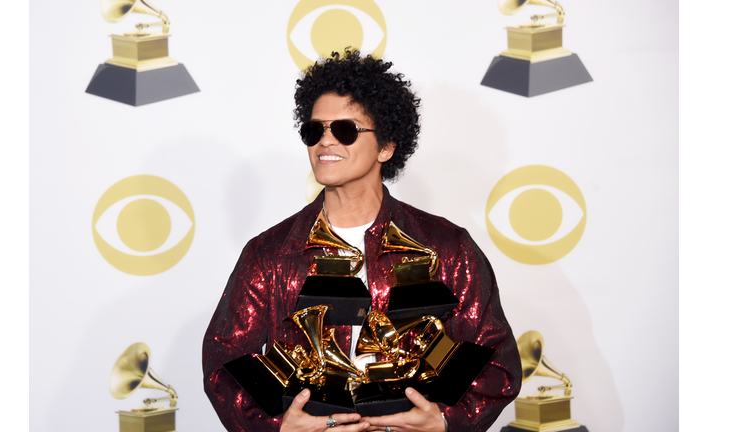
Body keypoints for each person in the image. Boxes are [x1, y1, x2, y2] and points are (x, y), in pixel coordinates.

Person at [203, 49, 521, 432]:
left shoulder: (447, 246)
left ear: (386, 146)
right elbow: (224, 361)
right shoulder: (269, 254)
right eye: (314, 130)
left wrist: (445, 421)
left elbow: (497, 361)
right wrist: (277, 427)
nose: (325, 142)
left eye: (345, 130)